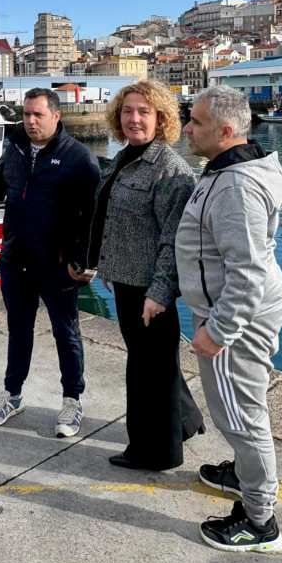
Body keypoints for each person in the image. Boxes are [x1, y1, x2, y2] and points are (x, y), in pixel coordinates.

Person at [175, 85, 282, 554]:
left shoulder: (237, 186)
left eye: (196, 123)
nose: (186, 128)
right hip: (235, 310)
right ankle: (244, 475)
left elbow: (246, 273)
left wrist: (218, 332)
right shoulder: (236, 168)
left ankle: (260, 520)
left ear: (225, 132)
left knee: (241, 415)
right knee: (239, 410)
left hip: (234, 318)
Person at [87, 80, 204, 471]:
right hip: (126, 279)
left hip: (149, 290)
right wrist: (109, 264)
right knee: (154, 364)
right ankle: (184, 423)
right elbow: (115, 220)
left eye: (144, 112)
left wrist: (159, 292)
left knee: (148, 371)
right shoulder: (125, 158)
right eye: (127, 111)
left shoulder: (170, 171)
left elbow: (174, 240)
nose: (134, 118)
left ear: (161, 119)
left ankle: (155, 453)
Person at [0, 87, 100, 437]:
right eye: (26, 114)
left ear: (56, 116)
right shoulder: (15, 148)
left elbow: (93, 214)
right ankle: (12, 395)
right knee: (18, 330)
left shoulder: (79, 158)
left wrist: (84, 261)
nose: (30, 121)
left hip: (56, 264)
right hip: (15, 258)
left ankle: (72, 401)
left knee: (65, 333)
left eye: (37, 115)